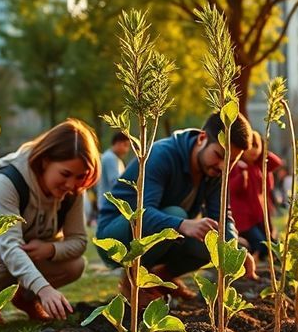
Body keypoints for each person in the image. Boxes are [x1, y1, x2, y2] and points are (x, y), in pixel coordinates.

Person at [96, 112, 258, 304]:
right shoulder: (162, 154)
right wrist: (182, 224)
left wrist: (238, 251)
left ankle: (162, 279)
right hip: (117, 234)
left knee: (212, 236)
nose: (223, 166)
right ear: (202, 139)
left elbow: (222, 217)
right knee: (176, 214)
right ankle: (134, 282)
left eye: (230, 162)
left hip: (162, 232)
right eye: (219, 155)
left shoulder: (215, 172)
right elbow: (144, 213)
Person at [0, 119, 100, 322]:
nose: (71, 184)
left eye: (80, 176)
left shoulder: (73, 189)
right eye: (65, 174)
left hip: (27, 248)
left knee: (75, 265)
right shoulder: (9, 181)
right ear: (45, 161)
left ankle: (25, 298)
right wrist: (44, 289)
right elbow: (9, 246)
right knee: (4, 252)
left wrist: (50, 249)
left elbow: (79, 241)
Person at [229, 131, 283, 260]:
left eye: (256, 145)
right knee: (260, 244)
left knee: (272, 244)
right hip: (243, 219)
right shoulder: (236, 165)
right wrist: (242, 176)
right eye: (249, 146)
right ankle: (249, 259)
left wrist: (263, 152)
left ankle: (263, 260)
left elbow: (276, 162)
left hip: (258, 215)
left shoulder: (258, 166)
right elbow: (232, 188)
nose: (253, 150)